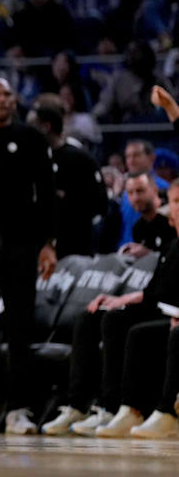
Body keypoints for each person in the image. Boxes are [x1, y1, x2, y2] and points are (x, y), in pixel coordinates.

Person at [42, 180, 179, 437]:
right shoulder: (171, 246)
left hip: (169, 314)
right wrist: (117, 299)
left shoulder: (168, 239)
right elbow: (153, 293)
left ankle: (132, 408)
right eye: (176, 202)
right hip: (161, 307)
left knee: (131, 329)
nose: (178, 208)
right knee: (95, 316)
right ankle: (83, 405)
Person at [0, 77, 57, 435]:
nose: (4, 99)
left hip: (22, 246)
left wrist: (48, 243)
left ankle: (20, 408)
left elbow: (48, 195)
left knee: (19, 327)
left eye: (8, 93)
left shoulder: (30, 138)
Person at [27, 96, 109, 259]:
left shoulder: (80, 159)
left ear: (46, 127)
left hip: (75, 248)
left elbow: (100, 204)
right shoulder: (29, 159)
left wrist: (65, 200)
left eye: (32, 126)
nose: (27, 132)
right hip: (36, 249)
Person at [123, 171, 175, 258]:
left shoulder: (173, 218)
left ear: (155, 190)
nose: (135, 198)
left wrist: (150, 254)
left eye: (140, 191)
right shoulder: (138, 228)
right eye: (130, 193)